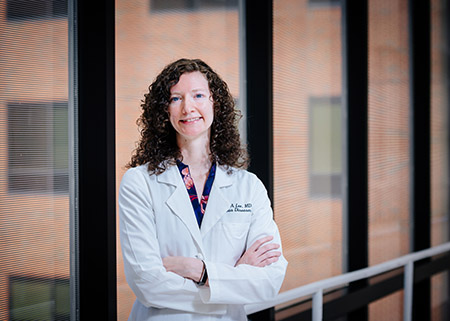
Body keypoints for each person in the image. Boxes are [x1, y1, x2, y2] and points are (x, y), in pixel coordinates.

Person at [119, 58, 288, 321]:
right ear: (164, 110)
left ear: (215, 103)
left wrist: (200, 271)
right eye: (176, 98)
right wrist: (229, 285)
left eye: (198, 95)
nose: (188, 107)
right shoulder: (139, 182)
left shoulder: (248, 186)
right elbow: (147, 284)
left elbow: (269, 280)